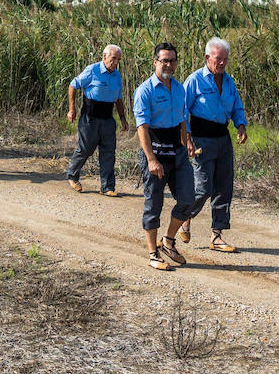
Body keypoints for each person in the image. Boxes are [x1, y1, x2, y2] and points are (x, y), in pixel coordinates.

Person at [178, 38, 247, 253]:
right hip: (202, 139)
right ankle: (183, 216)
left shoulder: (228, 81)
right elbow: (183, 111)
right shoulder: (195, 80)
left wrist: (241, 125)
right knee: (204, 187)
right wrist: (187, 139)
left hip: (222, 137)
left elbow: (237, 106)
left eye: (225, 59)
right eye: (219, 59)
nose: (223, 63)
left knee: (224, 187)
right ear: (207, 58)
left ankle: (217, 235)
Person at [134, 42, 196, 271]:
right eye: (164, 60)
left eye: (172, 60)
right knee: (154, 204)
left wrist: (186, 141)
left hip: (177, 153)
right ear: (155, 62)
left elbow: (182, 119)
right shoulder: (145, 91)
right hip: (156, 154)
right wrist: (151, 159)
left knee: (189, 199)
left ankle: (168, 241)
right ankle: (153, 253)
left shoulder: (180, 88)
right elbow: (142, 127)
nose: (168, 65)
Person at [65, 44, 130, 196]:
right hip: (90, 118)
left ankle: (107, 187)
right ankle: (72, 175)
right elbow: (73, 86)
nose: (115, 63)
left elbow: (118, 99)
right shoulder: (92, 70)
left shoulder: (117, 75)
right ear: (104, 57)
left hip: (107, 119)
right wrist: (71, 109)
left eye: (118, 60)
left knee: (108, 153)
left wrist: (123, 119)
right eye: (113, 59)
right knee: (85, 149)